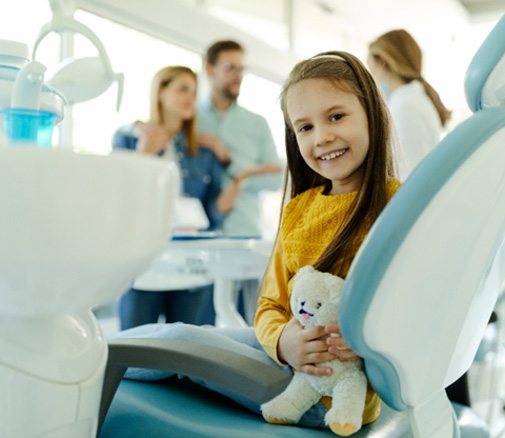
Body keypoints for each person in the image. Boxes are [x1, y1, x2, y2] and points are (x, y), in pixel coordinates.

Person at [114, 50, 400, 430]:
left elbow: (412, 308)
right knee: (193, 334)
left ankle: (92, 360)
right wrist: (283, 341)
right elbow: (269, 304)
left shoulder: (397, 205)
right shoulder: (299, 209)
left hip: (320, 394)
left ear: (371, 114)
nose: (322, 136)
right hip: (287, 355)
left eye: (336, 116)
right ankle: (96, 355)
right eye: (305, 127)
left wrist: (367, 342)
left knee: (181, 340)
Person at [113, 65, 225, 329]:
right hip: (143, 260)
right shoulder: (129, 138)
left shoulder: (204, 152)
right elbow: (119, 197)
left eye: (195, 91)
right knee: (136, 352)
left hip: (192, 260)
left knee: (190, 352)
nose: (191, 98)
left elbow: (212, 213)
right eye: (182, 89)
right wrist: (144, 154)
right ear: (160, 92)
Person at [197, 39, 283, 237]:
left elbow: (275, 179)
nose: (239, 76)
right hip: (195, 234)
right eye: (230, 68)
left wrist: (230, 162)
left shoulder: (257, 123)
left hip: (244, 232)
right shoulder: (190, 121)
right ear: (210, 70)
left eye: (242, 69)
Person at [367, 29, 451, 181]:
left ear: (383, 62)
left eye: (372, 70)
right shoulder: (410, 99)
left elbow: (410, 174)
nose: (374, 79)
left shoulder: (406, 107)